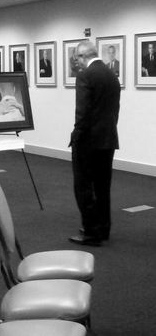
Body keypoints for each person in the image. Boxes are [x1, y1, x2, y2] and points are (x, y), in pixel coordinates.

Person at [68, 40, 121, 246]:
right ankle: (103, 228)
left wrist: (76, 135)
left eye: (77, 59)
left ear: (83, 56)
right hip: (108, 139)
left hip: (88, 141)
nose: (77, 63)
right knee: (103, 186)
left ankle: (90, 231)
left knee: (83, 186)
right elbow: (114, 110)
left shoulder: (85, 76)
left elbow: (82, 112)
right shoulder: (111, 75)